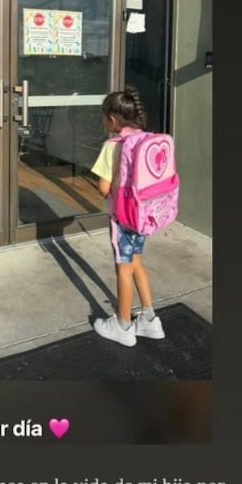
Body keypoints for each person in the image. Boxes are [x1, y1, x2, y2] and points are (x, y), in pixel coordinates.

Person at [91, 86, 165, 347]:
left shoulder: (113, 146)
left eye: (104, 117)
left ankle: (122, 325)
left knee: (123, 268)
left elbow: (102, 187)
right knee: (136, 262)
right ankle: (149, 318)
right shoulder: (145, 139)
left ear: (112, 119)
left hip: (123, 217)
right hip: (145, 214)